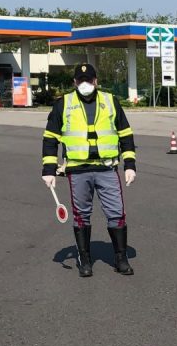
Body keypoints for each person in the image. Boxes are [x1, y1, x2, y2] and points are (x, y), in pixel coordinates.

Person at [41, 64, 137, 277]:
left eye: (89, 80)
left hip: (107, 168)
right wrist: (48, 169)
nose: (85, 84)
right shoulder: (63, 104)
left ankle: (121, 258)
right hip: (78, 170)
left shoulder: (110, 101)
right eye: (80, 80)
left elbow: (126, 134)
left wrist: (130, 165)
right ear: (75, 82)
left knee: (116, 213)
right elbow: (50, 139)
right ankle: (84, 258)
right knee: (81, 215)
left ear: (96, 81)